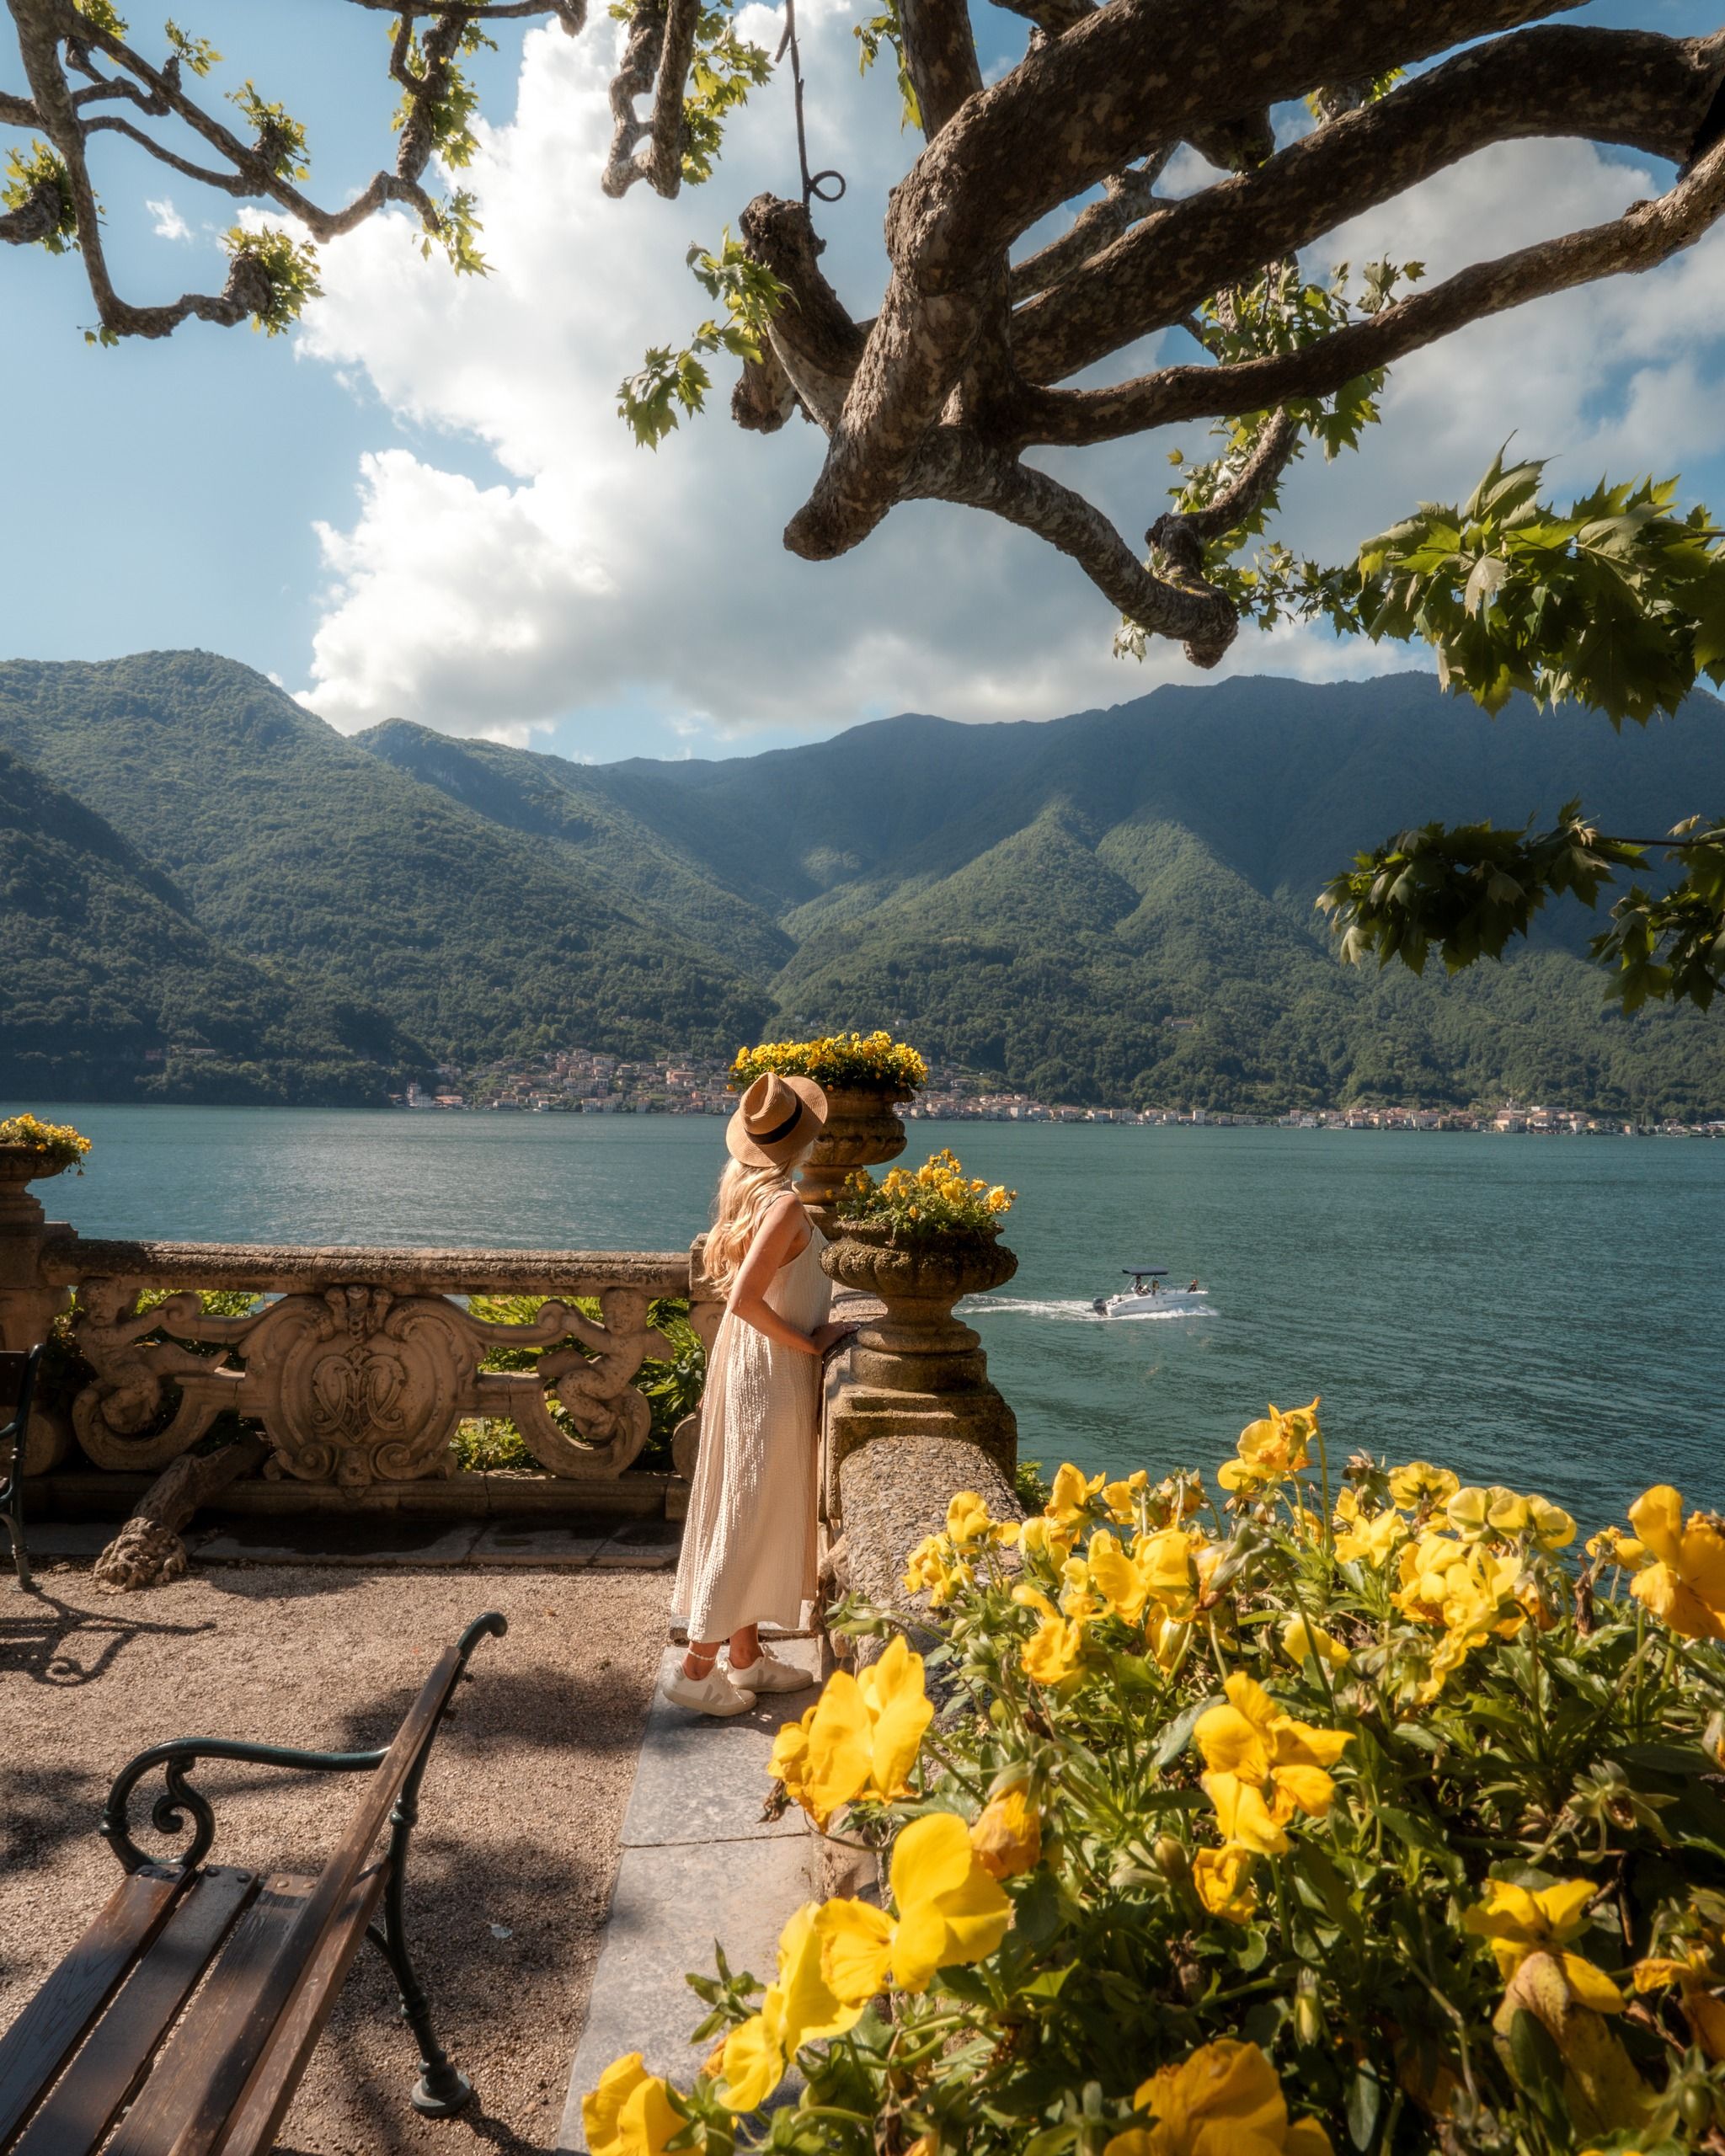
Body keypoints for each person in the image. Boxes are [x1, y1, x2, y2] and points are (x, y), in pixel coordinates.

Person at [665, 1073, 857, 1716]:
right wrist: (814, 1343)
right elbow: (748, 1301)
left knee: (745, 1498)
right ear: (802, 1137)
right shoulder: (786, 1206)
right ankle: (695, 1669)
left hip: (749, 1364)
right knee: (747, 1510)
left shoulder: (751, 1195)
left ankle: (744, 1658)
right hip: (770, 1369)